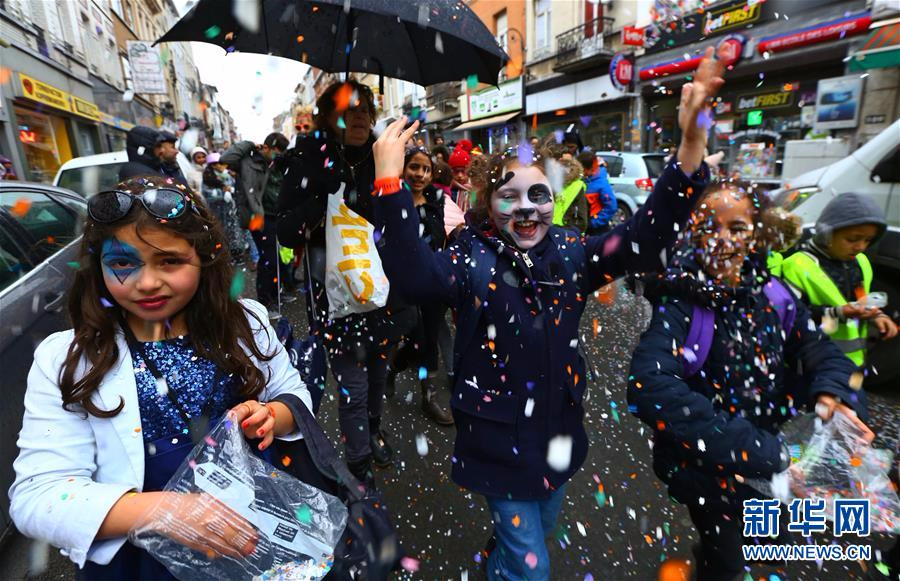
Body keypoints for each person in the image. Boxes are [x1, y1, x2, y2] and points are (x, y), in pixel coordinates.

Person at [369, 45, 726, 580]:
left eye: (537, 193)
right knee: (532, 566)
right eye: (508, 196)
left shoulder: (571, 250)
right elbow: (414, 276)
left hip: (557, 438)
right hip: (496, 442)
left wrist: (691, 145)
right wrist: (390, 183)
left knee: (532, 540)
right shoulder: (470, 254)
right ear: (488, 203)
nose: (525, 208)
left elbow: (644, 238)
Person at [9, 175, 313, 577]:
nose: (147, 282)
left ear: (203, 258)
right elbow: (37, 496)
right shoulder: (68, 358)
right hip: (143, 561)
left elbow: (295, 395)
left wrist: (274, 415)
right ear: (97, 267)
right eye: (122, 263)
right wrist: (166, 511)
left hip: (257, 531)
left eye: (169, 261)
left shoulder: (247, 323)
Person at [626, 178, 873, 581]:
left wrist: (836, 394)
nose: (723, 240)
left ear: (758, 234)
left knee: (768, 546)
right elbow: (649, 386)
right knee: (727, 562)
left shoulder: (775, 295)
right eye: (709, 228)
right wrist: (758, 450)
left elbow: (821, 350)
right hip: (711, 473)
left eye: (738, 228)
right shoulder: (681, 305)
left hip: (774, 468)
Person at [276, 80, 416, 485]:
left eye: (364, 108)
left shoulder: (383, 155)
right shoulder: (307, 156)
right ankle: (359, 465)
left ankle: (373, 430)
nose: (358, 115)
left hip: (382, 289)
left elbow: (400, 219)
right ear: (329, 117)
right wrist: (322, 192)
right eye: (348, 108)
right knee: (352, 383)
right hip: (335, 296)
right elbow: (285, 230)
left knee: (376, 374)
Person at [780, 193, 898, 369]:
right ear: (827, 233)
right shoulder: (797, 265)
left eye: (868, 240)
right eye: (852, 239)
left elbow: (862, 301)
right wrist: (838, 313)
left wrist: (876, 315)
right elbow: (790, 317)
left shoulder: (861, 262)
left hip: (853, 364)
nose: (861, 247)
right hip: (809, 366)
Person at [385, 148, 458, 426]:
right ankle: (394, 366)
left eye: (426, 169)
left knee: (430, 342)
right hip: (400, 284)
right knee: (416, 341)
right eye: (415, 167)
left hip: (431, 280)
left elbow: (444, 235)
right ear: (404, 168)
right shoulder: (393, 198)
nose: (420, 174)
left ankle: (428, 397)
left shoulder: (438, 199)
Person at [221, 133, 289, 317]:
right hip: (258, 217)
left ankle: (274, 295)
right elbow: (225, 158)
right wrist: (249, 144)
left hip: (274, 216)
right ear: (265, 148)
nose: (277, 156)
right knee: (268, 260)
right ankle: (266, 302)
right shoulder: (247, 161)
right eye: (274, 152)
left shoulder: (273, 163)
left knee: (276, 258)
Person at [201, 154, 244, 260]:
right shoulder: (208, 177)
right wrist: (222, 193)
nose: (220, 166)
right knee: (221, 231)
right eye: (216, 164)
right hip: (217, 210)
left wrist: (232, 191)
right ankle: (224, 254)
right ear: (212, 165)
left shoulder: (227, 175)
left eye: (221, 163)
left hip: (230, 209)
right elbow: (207, 194)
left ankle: (236, 252)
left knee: (234, 230)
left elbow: (235, 187)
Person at [119, 127, 185, 186]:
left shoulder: (154, 169)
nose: (162, 150)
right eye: (158, 146)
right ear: (144, 149)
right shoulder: (136, 174)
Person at [577, 151, 618, 235]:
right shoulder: (583, 180)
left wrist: (594, 222)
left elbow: (612, 207)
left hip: (597, 230)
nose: (580, 172)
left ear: (588, 169)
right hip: (584, 227)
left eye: (581, 169)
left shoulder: (601, 184)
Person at [551, 152, 589, 234]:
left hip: (567, 236)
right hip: (549, 235)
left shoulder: (577, 186)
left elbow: (581, 222)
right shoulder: (548, 182)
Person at [448, 139, 474, 212]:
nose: (460, 175)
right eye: (456, 172)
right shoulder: (448, 190)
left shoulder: (474, 189)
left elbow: (475, 205)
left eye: (463, 171)